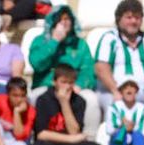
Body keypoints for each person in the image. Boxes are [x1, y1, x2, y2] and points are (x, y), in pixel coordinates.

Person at [29, 62, 108, 145]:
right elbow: (41, 134)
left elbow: (74, 131)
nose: (67, 86)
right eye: (63, 82)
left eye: (70, 83)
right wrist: (71, 139)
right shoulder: (43, 100)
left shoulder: (79, 101)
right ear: (55, 82)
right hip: (51, 143)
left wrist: (64, 102)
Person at [28, 5, 98, 135]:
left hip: (73, 88)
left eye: (67, 19)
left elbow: (88, 70)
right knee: (34, 97)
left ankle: (88, 138)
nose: (64, 22)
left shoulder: (80, 44)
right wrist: (54, 41)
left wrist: (79, 85)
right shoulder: (40, 41)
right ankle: (37, 136)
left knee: (91, 99)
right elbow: (37, 64)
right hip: (46, 87)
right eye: (60, 19)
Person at [106, 79, 144, 145]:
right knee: (120, 133)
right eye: (126, 89)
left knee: (137, 135)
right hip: (117, 144)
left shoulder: (143, 109)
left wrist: (132, 128)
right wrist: (121, 125)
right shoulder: (114, 108)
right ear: (121, 92)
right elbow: (109, 130)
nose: (129, 90)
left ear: (136, 93)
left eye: (132, 89)